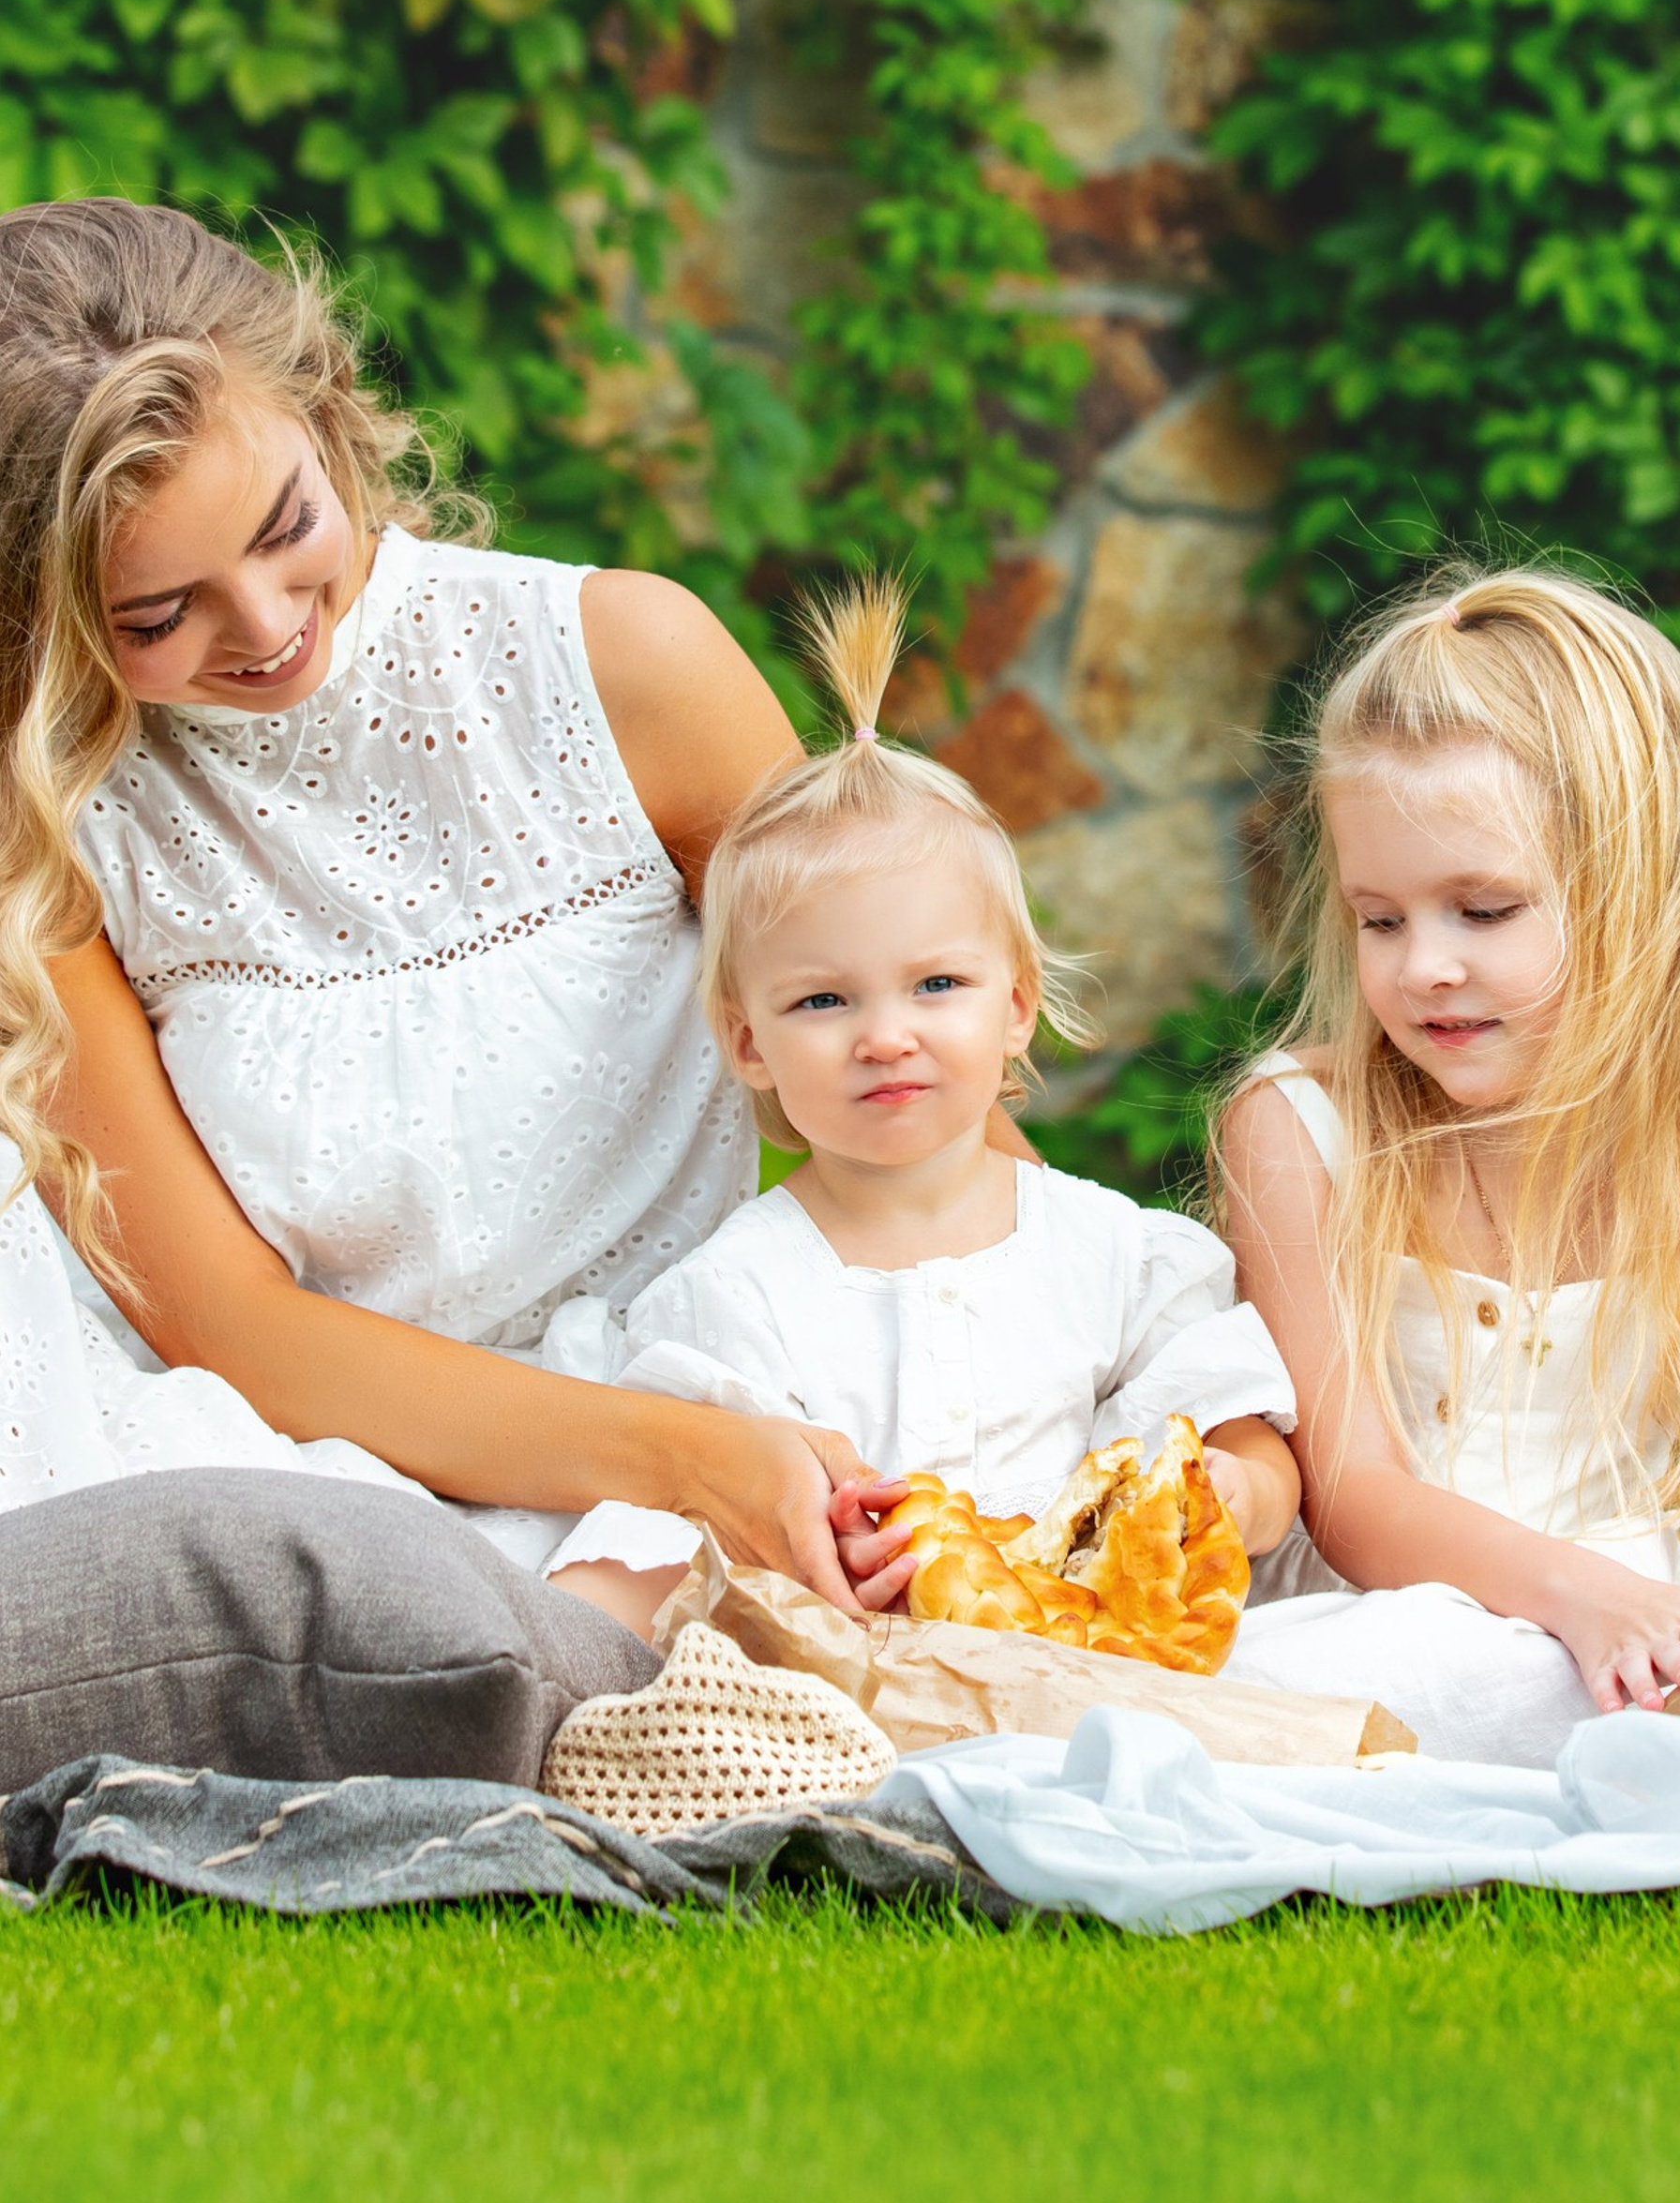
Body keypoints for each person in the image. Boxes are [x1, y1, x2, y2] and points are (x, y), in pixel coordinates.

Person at [0, 194, 937, 1604]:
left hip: (699, 1392)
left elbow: (912, 1089)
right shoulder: (56, 828)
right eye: (156, 615)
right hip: (287, 1455)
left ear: (325, 411)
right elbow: (228, 1325)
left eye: (286, 525)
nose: (264, 627)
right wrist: (680, 1461)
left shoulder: (622, 668)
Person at [1214, 564, 1680, 1763]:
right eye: (1381, 919)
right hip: (1369, 1638)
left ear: (1642, 901)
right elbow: (1352, 1499)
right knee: (1375, 1677)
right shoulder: (1298, 1129)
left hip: (1629, 1662)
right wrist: (1576, 1601)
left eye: (1482, 910)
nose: (1423, 967)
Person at [537, 582, 1300, 1632]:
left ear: (1018, 1007)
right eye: (823, 999)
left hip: (1096, 1659)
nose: (885, 1034)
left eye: (937, 985)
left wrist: (1232, 1495)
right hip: (857, 1685)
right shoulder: (737, 1296)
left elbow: (1246, 1436)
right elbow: (694, 1530)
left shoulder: (1113, 1255)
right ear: (749, 1043)